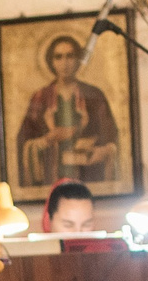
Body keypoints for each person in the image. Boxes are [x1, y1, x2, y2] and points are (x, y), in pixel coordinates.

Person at [13, 34, 120, 189]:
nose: (65, 63)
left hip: (87, 180)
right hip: (51, 179)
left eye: (70, 56)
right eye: (58, 57)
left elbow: (111, 137)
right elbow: (24, 142)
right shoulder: (40, 97)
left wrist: (101, 151)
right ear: (51, 61)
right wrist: (47, 139)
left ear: (78, 60)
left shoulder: (94, 96)